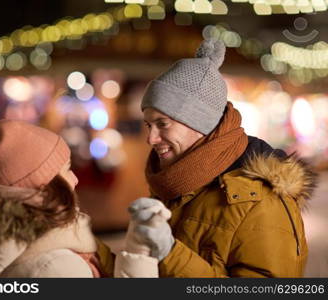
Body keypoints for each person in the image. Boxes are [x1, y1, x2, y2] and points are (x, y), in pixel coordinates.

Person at [104, 39, 317, 277]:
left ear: (201, 124)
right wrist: (90, 250)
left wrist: (170, 253)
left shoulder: (259, 201)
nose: (151, 138)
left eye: (162, 124)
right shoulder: (178, 186)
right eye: (148, 125)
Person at [0, 111, 153, 277]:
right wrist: (142, 254)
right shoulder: (55, 266)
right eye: (66, 170)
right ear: (42, 186)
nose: (74, 179)